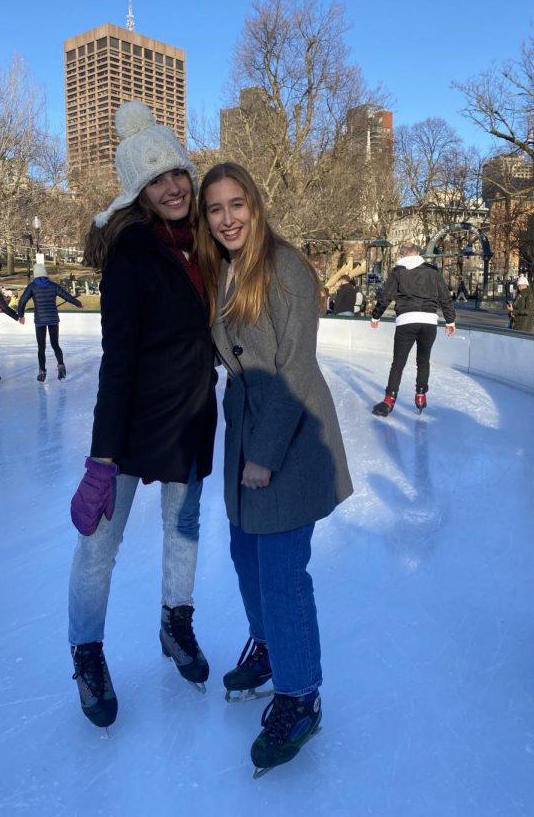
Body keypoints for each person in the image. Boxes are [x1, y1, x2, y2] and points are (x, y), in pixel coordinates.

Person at [196, 162, 353, 776]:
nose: (227, 218)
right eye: (215, 209)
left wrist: (261, 456)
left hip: (287, 441)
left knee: (283, 572)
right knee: (244, 556)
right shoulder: (221, 271)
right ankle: (268, 649)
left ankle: (301, 694)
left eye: (236, 205)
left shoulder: (284, 268)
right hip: (245, 433)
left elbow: (294, 370)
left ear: (255, 207)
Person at [68, 101, 218, 730]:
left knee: (183, 533)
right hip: (130, 427)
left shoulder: (206, 248)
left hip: (189, 419)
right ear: (140, 191)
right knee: (100, 544)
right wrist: (102, 458)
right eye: (157, 180)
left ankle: (174, 624)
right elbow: (119, 360)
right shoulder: (133, 253)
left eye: (178, 173)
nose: (174, 187)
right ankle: (87, 652)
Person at [370, 241, 456, 416]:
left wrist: (376, 316)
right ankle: (421, 395)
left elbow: (386, 297)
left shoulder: (397, 272)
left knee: (398, 362)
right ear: (418, 253)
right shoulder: (432, 271)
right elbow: (444, 297)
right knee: (423, 361)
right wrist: (450, 321)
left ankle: (389, 400)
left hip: (407, 320)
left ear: (402, 255)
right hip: (429, 322)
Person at [17, 264, 83, 381]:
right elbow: (66, 296)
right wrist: (77, 303)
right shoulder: (53, 285)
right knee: (55, 344)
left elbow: (22, 301)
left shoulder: (32, 286)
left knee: (41, 347)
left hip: (40, 320)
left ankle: (42, 372)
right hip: (53, 319)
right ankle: (61, 365)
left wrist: (21, 315)